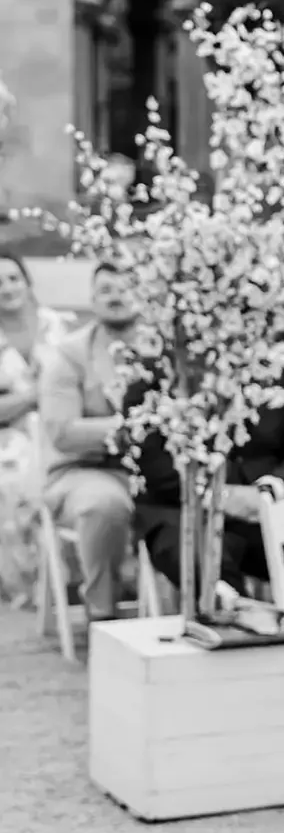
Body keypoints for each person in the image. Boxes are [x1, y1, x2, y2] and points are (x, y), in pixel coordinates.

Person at [131, 373, 284, 612]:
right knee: (209, 569)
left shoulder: (269, 371)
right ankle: (242, 635)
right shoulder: (152, 373)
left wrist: (269, 488)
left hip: (260, 507)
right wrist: (219, 496)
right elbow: (154, 466)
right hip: (183, 512)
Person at [36, 263, 140, 621]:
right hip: (81, 472)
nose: (117, 297)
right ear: (92, 300)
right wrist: (126, 428)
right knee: (104, 505)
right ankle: (103, 615)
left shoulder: (166, 347)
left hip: (150, 471)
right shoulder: (68, 355)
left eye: (126, 288)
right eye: (106, 290)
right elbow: (63, 432)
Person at [0, 252, 74, 607]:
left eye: (14, 279)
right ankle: (27, 586)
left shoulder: (56, 326)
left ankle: (70, 576)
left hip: (60, 427)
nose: (7, 288)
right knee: (12, 477)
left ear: (27, 283)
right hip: (9, 436)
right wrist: (34, 396)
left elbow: (78, 381)